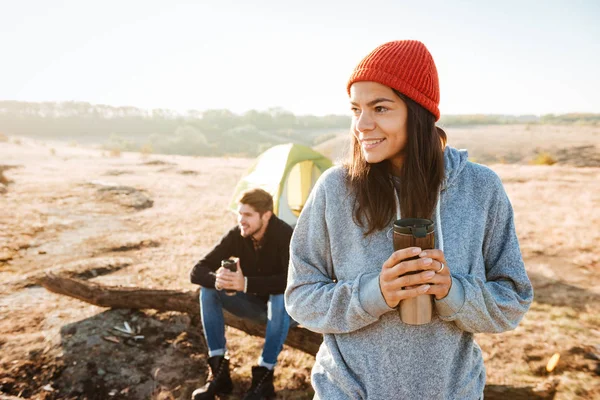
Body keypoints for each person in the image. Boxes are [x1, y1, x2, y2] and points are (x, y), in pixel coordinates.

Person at [285, 40, 534, 399]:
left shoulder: (480, 188)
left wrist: (454, 292)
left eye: (380, 108)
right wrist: (375, 293)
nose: (362, 125)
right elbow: (301, 296)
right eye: (356, 109)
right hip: (348, 392)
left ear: (418, 112)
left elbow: (512, 300)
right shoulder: (335, 189)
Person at [190, 188, 293, 400]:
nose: (241, 220)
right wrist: (219, 280)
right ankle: (219, 373)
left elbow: (291, 282)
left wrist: (245, 283)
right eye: (239, 214)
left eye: (247, 215)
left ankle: (264, 377)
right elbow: (197, 270)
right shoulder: (238, 234)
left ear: (266, 215)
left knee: (279, 296)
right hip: (257, 308)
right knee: (208, 290)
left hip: (288, 311)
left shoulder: (285, 235)